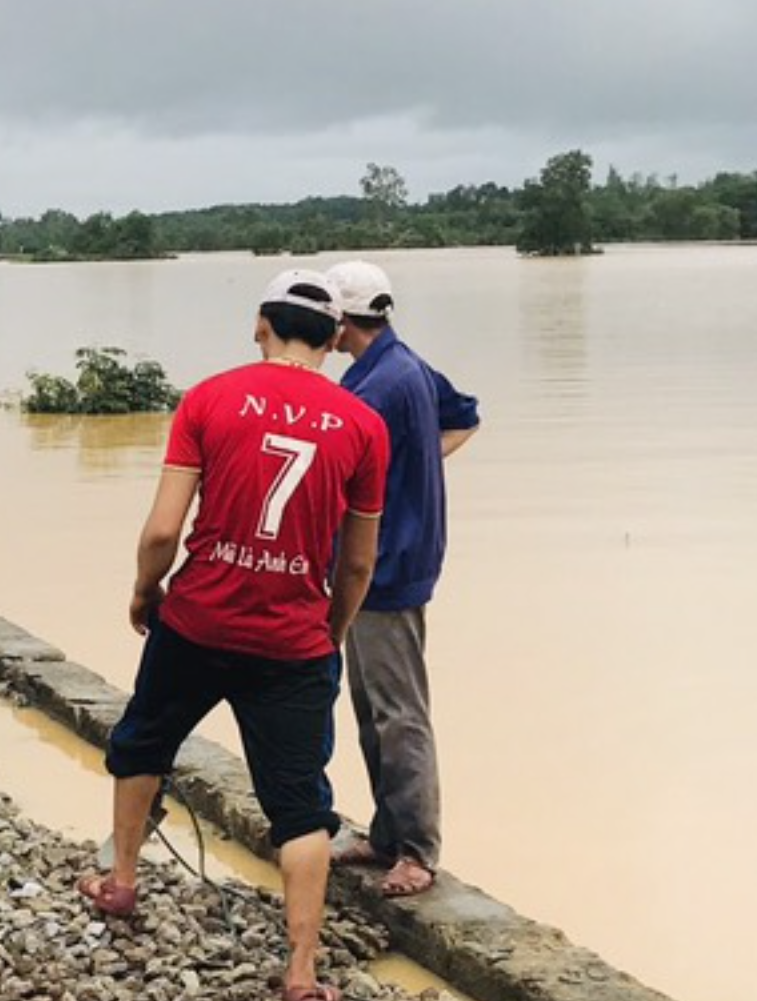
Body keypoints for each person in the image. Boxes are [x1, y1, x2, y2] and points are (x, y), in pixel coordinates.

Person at [80, 270, 389, 1001]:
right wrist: (331, 630)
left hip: (196, 621)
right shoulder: (363, 426)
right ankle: (302, 972)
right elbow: (358, 561)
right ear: (335, 336)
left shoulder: (210, 398)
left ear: (260, 324)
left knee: (142, 742)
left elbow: (163, 529)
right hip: (293, 641)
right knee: (302, 806)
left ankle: (121, 882)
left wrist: (144, 590)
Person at [325, 261, 481, 899]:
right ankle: (388, 835)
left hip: (384, 566)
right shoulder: (403, 366)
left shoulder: (373, 390)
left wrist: (410, 471)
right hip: (394, 560)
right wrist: (418, 466)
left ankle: (416, 850)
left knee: (398, 712)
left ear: (340, 320)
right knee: (373, 708)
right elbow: (464, 416)